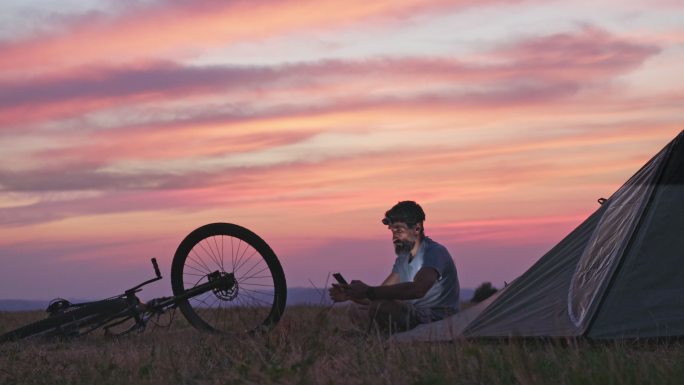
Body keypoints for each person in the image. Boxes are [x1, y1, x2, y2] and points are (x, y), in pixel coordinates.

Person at [329, 201, 460, 332]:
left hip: (434, 319)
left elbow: (418, 289)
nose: (394, 237)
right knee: (355, 309)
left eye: (399, 230)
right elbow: (382, 292)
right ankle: (382, 335)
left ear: (417, 228)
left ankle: (382, 335)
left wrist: (368, 291)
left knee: (380, 307)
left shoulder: (434, 252)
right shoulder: (403, 259)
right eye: (392, 231)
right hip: (411, 314)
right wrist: (352, 295)